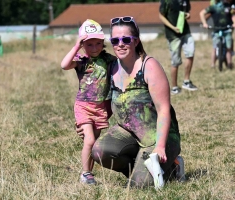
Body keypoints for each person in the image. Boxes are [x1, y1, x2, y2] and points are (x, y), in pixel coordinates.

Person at [77, 16, 183, 188]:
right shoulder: (111, 67)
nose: (120, 44)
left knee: (139, 186)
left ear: (136, 41)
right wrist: (88, 122)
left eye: (126, 39)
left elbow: (164, 110)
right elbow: (106, 104)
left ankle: (172, 166)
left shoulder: (149, 66)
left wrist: (161, 146)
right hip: (128, 133)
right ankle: (142, 168)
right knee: (99, 151)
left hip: (156, 138)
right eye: (115, 40)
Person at [60, 19, 116, 185]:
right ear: (83, 45)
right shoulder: (81, 60)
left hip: (100, 107)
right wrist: (77, 45)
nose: (94, 48)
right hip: (83, 106)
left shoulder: (107, 59)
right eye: (89, 45)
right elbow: (64, 65)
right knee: (90, 140)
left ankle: (89, 173)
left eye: (98, 43)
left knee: (93, 143)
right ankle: (84, 173)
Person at [159, 0, 198, 95]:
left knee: (190, 53)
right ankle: (175, 88)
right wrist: (173, 27)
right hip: (173, 34)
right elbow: (161, 16)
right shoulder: (167, 1)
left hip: (185, 31)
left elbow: (186, 11)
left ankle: (186, 81)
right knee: (175, 61)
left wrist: (187, 15)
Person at [200, 0, 235, 69]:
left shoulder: (229, 6)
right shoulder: (213, 7)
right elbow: (202, 13)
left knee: (228, 48)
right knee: (214, 48)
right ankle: (212, 65)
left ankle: (229, 64)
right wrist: (204, 23)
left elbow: (233, 15)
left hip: (227, 29)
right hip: (216, 30)